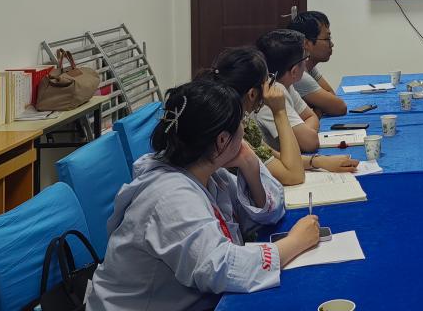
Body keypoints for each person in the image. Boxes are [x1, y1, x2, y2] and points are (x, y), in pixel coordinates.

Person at [85, 80, 320, 310]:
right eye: (241, 123)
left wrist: (249, 163)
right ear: (222, 140)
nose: (244, 130)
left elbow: (267, 213)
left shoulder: (207, 172)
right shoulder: (171, 197)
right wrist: (295, 242)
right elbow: (220, 268)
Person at [202, 47, 358, 185]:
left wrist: (319, 161)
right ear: (252, 94)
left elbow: (274, 156)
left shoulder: (244, 121)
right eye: (268, 80)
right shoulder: (233, 130)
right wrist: (279, 111)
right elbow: (293, 176)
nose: (272, 84)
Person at [254, 29, 322, 152]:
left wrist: (304, 134)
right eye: (305, 58)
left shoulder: (285, 84)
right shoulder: (271, 93)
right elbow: (311, 142)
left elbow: (311, 116)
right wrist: (304, 135)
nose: (306, 62)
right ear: (294, 71)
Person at [286, 11, 347, 117]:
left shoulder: (308, 65)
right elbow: (340, 107)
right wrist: (320, 107)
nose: (332, 44)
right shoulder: (298, 74)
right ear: (306, 43)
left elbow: (330, 93)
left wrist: (318, 107)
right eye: (327, 39)